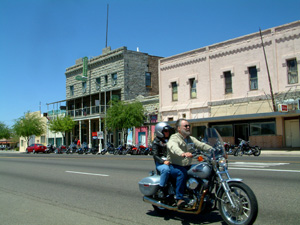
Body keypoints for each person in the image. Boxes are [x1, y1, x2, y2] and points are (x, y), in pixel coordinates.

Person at [167, 119, 211, 208]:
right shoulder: (174, 138)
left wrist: (213, 150)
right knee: (181, 173)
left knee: (205, 168)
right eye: (185, 126)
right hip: (175, 165)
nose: (188, 127)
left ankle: (202, 194)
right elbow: (172, 146)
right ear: (179, 128)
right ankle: (179, 198)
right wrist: (182, 153)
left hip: (187, 165)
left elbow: (201, 145)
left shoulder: (190, 138)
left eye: (188, 126)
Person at [152, 122, 173, 197]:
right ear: (160, 131)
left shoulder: (169, 140)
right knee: (166, 170)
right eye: (166, 131)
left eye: (168, 131)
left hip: (171, 161)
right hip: (161, 163)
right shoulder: (156, 142)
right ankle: (161, 188)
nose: (168, 132)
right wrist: (163, 161)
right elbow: (155, 155)